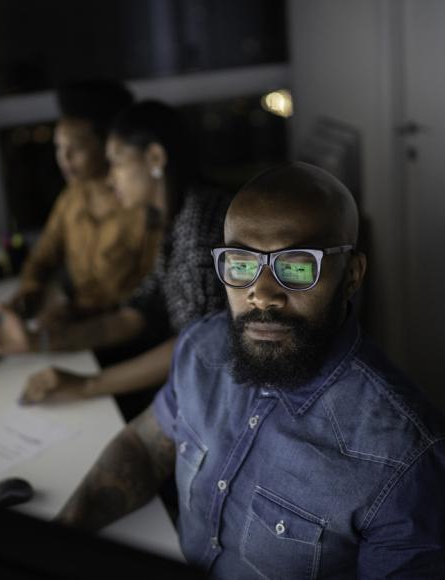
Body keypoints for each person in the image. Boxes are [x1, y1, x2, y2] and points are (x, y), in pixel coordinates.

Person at [55, 162, 445, 579]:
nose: (261, 294)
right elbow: (146, 446)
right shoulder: (200, 350)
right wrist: (57, 537)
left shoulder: (405, 458)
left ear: (350, 276)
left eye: (296, 266)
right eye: (241, 264)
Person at [0, 100, 233, 418]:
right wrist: (37, 340)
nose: (111, 179)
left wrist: (87, 385)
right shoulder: (171, 221)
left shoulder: (201, 225)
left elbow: (195, 351)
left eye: (116, 162)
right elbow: (136, 315)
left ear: (155, 158)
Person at [0, 80, 161, 347]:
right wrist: (30, 292)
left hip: (113, 339)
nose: (64, 159)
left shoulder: (144, 210)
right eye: (58, 148)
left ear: (107, 146)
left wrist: (65, 316)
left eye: (76, 149)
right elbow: (42, 258)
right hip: (68, 327)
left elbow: (144, 307)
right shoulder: (72, 197)